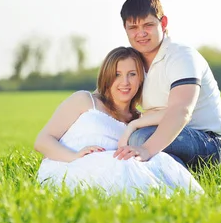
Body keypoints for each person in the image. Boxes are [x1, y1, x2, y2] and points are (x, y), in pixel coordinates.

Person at [34, 46, 203, 196]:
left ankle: (182, 202)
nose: (125, 82)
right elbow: (42, 141)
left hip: (110, 166)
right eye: (117, 75)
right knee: (125, 168)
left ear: (141, 79)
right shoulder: (84, 100)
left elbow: (175, 112)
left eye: (132, 74)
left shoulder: (139, 118)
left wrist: (133, 125)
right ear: (107, 77)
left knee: (159, 160)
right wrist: (75, 156)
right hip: (68, 166)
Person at [113, 0, 221, 169]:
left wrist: (145, 148)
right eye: (133, 27)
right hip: (161, 133)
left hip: (208, 141)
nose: (141, 33)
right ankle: (154, 174)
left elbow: (181, 110)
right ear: (125, 28)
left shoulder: (181, 56)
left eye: (148, 25)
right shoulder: (132, 62)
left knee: (140, 139)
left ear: (163, 23)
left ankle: (175, 180)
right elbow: (107, 99)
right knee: (113, 134)